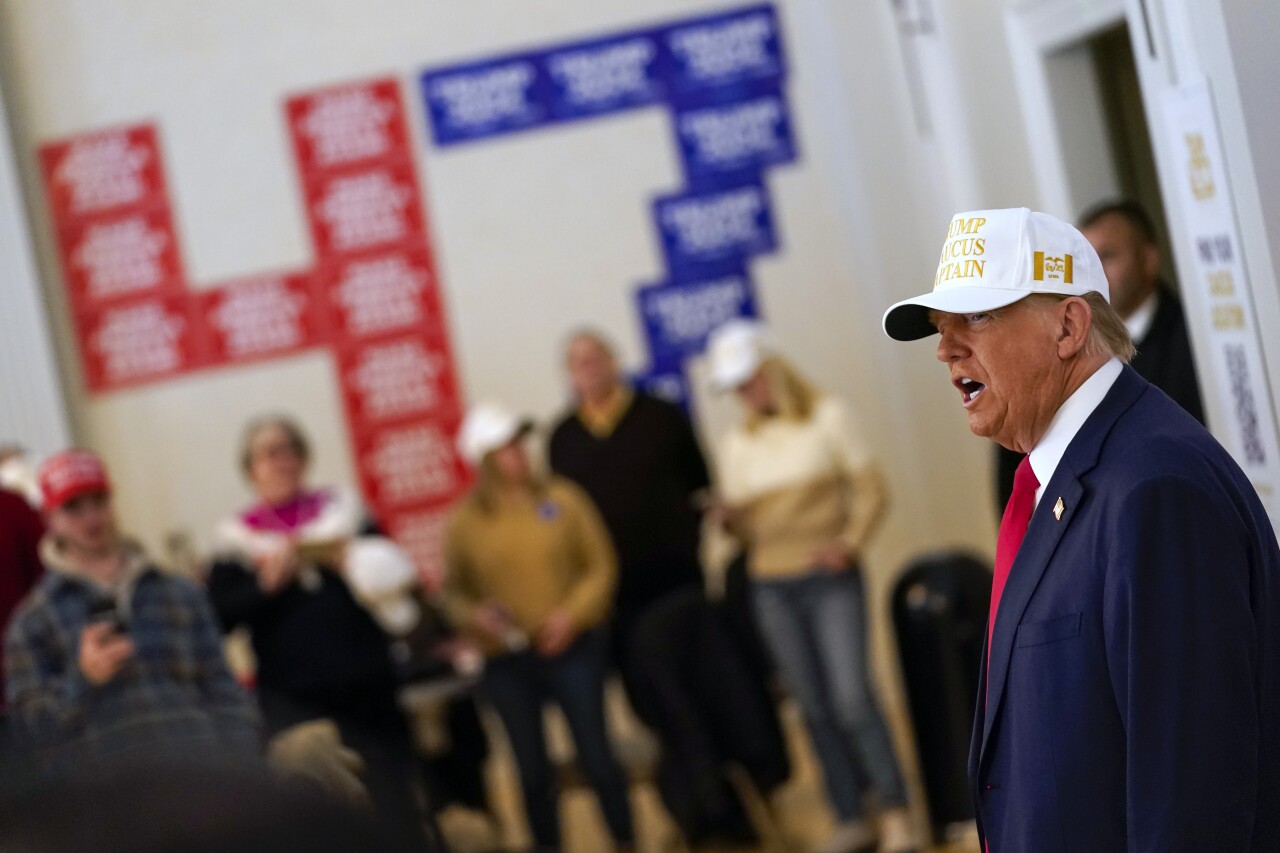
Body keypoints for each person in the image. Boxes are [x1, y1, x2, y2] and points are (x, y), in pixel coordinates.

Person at [882, 206, 1280, 851]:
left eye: (976, 317)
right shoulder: (1056, 478)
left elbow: (1194, 790)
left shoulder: (1156, 491)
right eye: (940, 325)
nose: (946, 348)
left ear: (1069, 326)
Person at [707, 320, 917, 853]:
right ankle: (849, 814)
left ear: (774, 368)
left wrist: (848, 543)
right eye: (736, 386)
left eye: (750, 379)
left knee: (853, 700)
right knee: (813, 706)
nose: (745, 394)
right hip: (770, 587)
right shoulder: (737, 443)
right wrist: (730, 521)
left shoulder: (829, 416)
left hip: (829, 581)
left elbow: (873, 490)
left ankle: (895, 811)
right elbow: (750, 527)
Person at [205, 416, 429, 848]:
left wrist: (360, 565)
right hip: (296, 704)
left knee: (395, 808)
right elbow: (219, 618)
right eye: (268, 454)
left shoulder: (343, 513)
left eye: (288, 449)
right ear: (250, 470)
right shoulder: (235, 543)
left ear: (304, 458)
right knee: (321, 821)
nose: (280, 461)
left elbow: (401, 582)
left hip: (368, 693)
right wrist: (264, 588)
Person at [443, 402, 635, 853]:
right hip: (506, 661)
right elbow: (454, 594)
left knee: (598, 756)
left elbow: (600, 564)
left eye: (519, 445)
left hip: (574, 648)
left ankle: (625, 840)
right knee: (531, 772)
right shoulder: (465, 524)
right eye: (506, 449)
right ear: (486, 461)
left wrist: (573, 614)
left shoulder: (564, 498)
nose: (519, 456)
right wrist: (476, 617)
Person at [4, 449, 260, 771]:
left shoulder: (178, 592)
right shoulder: (33, 622)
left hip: (204, 786)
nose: (91, 519)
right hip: (109, 804)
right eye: (73, 508)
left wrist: (243, 770)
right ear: (49, 518)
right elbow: (30, 731)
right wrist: (82, 679)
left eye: (99, 502)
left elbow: (226, 693)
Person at [994, 199, 1204, 507]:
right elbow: (1014, 483)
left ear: (1148, 260)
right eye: (1088, 260)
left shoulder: (1195, 341)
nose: (1096, 273)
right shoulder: (1049, 346)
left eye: (1107, 256)